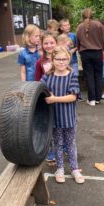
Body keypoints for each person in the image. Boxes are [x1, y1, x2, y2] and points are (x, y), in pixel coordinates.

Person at [41, 46, 85, 184]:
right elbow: (38, 91)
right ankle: (59, 168)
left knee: (70, 144)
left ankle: (74, 168)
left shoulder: (72, 75)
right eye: (58, 59)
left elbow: (73, 97)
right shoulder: (47, 76)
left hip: (68, 118)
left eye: (64, 59)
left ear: (69, 59)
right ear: (52, 60)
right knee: (58, 144)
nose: (61, 62)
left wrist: (55, 99)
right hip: (53, 118)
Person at [76, 8, 104, 106]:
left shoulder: (79, 27)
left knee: (89, 76)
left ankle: (91, 99)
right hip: (97, 53)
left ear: (82, 15)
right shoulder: (99, 25)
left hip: (85, 54)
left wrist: (80, 50)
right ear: (93, 15)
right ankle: (98, 98)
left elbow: (77, 42)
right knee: (98, 75)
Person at [35, 31, 57, 162]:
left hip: (62, 97)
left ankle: (63, 146)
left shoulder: (62, 58)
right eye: (46, 43)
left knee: (62, 124)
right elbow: (37, 81)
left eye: (51, 42)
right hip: (48, 98)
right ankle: (49, 150)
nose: (49, 45)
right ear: (42, 45)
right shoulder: (39, 63)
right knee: (49, 125)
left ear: (56, 43)